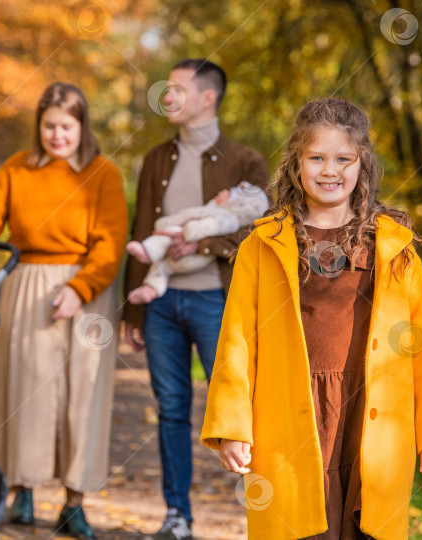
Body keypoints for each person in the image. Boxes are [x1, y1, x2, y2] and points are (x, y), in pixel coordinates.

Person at [200, 97, 422, 539]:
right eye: (316, 157)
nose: (330, 170)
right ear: (296, 164)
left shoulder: (393, 247)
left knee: (366, 525)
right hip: (289, 416)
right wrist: (232, 426)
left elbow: (421, 344)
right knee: (299, 525)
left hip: (372, 412)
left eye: (344, 158)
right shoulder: (262, 246)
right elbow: (237, 341)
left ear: (362, 165)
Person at [0, 82, 128, 540]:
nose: (57, 135)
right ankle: (22, 489)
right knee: (25, 391)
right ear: (39, 127)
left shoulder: (102, 173)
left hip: (89, 293)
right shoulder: (17, 169)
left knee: (82, 397)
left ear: (81, 126)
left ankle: (74, 503)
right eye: (49, 126)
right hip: (28, 283)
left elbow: (110, 243)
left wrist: (80, 288)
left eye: (66, 127)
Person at [124, 59, 269, 540]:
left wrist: (203, 244)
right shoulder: (154, 160)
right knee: (170, 409)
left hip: (217, 301)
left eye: (177, 89)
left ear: (207, 98)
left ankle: (264, 515)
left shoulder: (246, 162)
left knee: (238, 412)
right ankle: (177, 516)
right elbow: (141, 231)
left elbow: (257, 228)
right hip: (162, 302)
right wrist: (134, 309)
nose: (166, 97)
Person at [126, 181, 269, 304]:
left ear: (236, 202)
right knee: (163, 265)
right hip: (185, 259)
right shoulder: (215, 209)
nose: (224, 191)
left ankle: (147, 251)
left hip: (193, 256)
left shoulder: (227, 217)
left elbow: (211, 225)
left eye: (230, 193)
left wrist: (186, 232)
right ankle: (152, 288)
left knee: (165, 243)